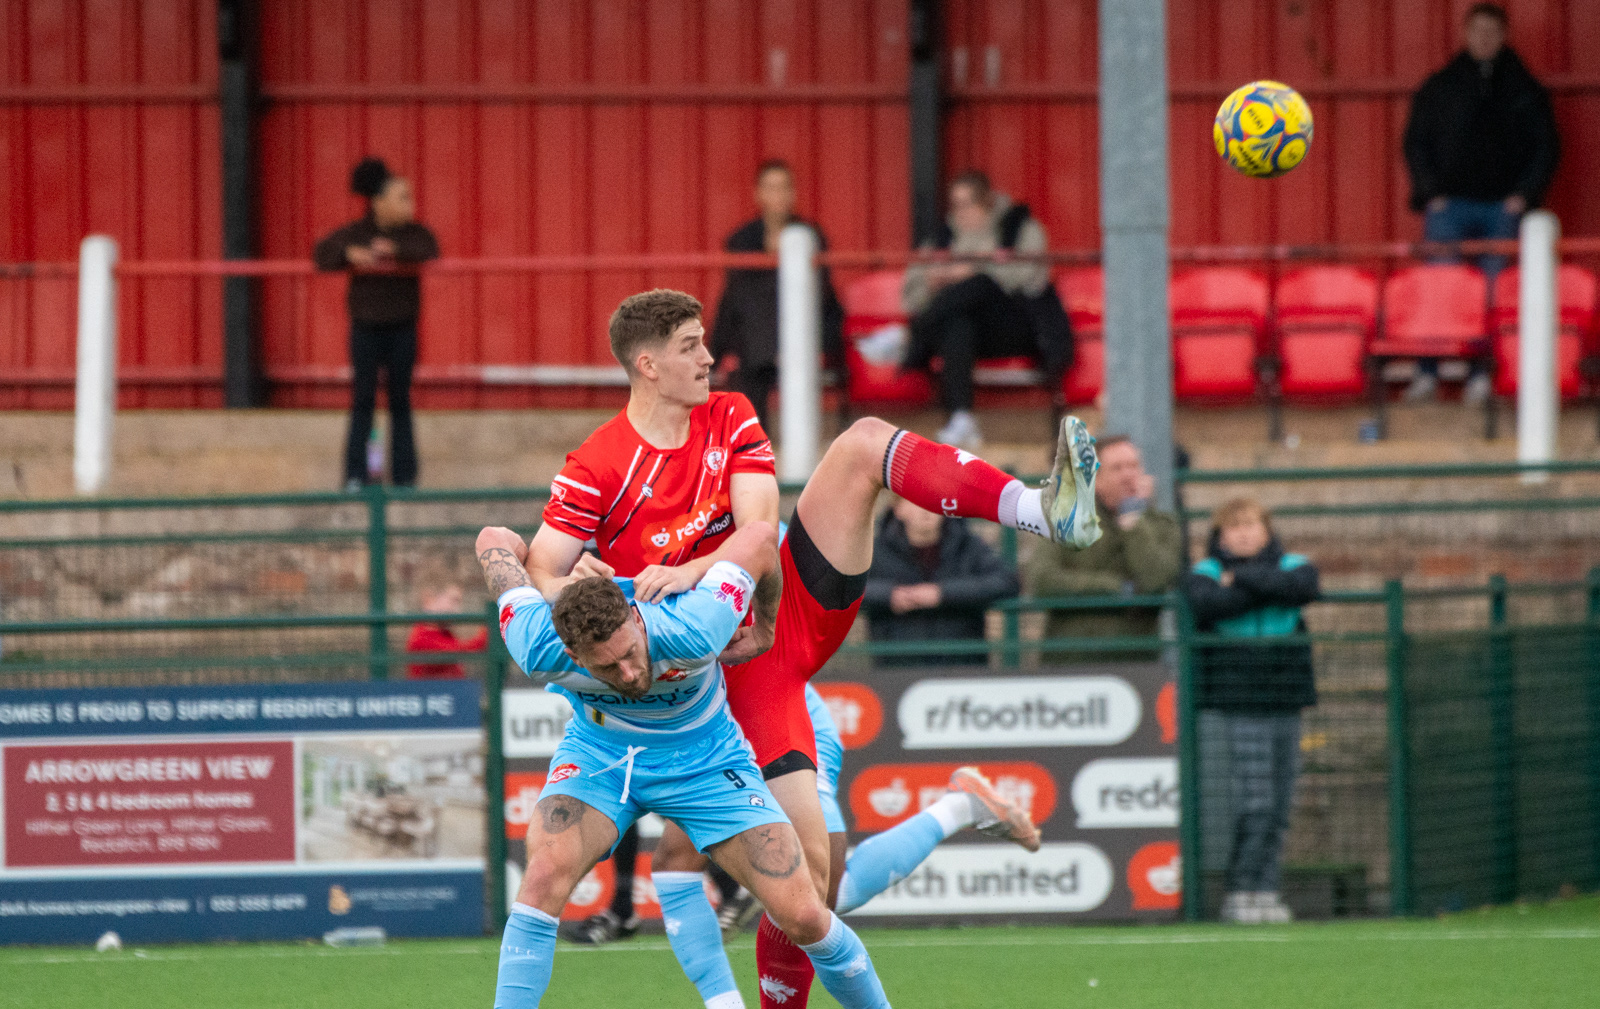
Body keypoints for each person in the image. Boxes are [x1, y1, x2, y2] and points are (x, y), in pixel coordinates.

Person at [522, 288, 1100, 1009]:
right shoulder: (597, 464)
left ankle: (1043, 510)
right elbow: (541, 566)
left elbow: (759, 531)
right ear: (647, 365)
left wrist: (696, 570)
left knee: (862, 443)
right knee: (815, 888)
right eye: (690, 346)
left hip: (776, 614)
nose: (709, 357)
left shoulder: (730, 414)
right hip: (724, 674)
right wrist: (578, 583)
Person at [479, 520, 894, 1009]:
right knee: (542, 878)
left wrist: (764, 622)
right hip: (601, 759)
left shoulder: (694, 624)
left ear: (637, 621)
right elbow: (492, 538)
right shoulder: (536, 644)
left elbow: (761, 538)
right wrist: (549, 578)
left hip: (707, 764)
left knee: (804, 915)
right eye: (607, 667)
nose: (629, 674)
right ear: (571, 653)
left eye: (630, 653)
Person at [1401, 2, 1559, 406]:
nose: (1484, 39)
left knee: (1493, 290)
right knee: (1440, 288)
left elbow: (1546, 147)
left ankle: (1481, 374)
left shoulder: (1524, 88)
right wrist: (1431, 194)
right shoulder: (1441, 85)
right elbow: (1415, 142)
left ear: (1504, 37)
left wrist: (1522, 196)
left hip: (1500, 209)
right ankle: (1428, 373)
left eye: (1492, 32)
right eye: (1477, 31)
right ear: (1465, 34)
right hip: (1449, 207)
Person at [1181, 498, 1319, 925]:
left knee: (1280, 805)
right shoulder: (1205, 572)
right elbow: (1208, 603)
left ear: (1267, 530)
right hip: (1238, 703)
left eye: (1251, 525)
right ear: (1220, 536)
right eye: (1234, 527)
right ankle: (1241, 891)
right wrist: (1265, 588)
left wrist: (1240, 579)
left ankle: (1267, 890)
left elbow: (1303, 587)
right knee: (1255, 802)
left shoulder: (1294, 564)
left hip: (1287, 699)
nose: (1243, 534)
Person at [900, 170, 1072, 450]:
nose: (961, 212)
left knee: (979, 284)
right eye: (955, 205)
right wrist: (934, 283)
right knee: (958, 323)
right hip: (969, 334)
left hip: (1018, 326)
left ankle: (910, 337)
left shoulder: (1021, 227)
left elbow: (1028, 279)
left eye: (968, 204)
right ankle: (961, 418)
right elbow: (911, 294)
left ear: (988, 202)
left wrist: (972, 270)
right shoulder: (942, 237)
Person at [313, 157, 439, 491]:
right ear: (379, 202)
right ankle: (358, 476)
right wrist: (350, 254)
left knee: (401, 401)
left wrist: (394, 249)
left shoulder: (414, 234)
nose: (410, 204)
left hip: (402, 328)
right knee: (363, 401)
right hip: (365, 329)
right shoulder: (357, 233)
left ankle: (404, 478)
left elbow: (429, 249)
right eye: (403, 197)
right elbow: (322, 253)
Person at [709, 160, 844, 432]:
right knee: (750, 316)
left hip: (805, 326)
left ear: (793, 193)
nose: (778, 195)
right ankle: (756, 430)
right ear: (758, 194)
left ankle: (763, 360)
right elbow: (738, 296)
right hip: (757, 333)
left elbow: (820, 292)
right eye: (771, 188)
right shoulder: (741, 239)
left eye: (784, 188)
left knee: (755, 340)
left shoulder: (811, 235)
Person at [1026, 435, 1183, 663]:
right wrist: (1116, 588)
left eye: (1133, 466)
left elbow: (1156, 580)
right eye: (1117, 468)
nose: (1128, 475)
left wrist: (1134, 525)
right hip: (1072, 663)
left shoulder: (1162, 526)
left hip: (1138, 664)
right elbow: (1042, 580)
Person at [862, 497, 1019, 666]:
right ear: (898, 509)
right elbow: (846, 588)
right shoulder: (876, 550)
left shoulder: (968, 545)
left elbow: (1007, 581)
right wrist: (889, 595)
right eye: (915, 500)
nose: (925, 509)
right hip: (896, 666)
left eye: (933, 499)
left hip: (961, 666)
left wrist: (942, 594)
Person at [404, 583, 486, 679]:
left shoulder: (445, 633)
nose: (458, 610)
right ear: (429, 600)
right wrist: (490, 629)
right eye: (453, 601)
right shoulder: (421, 637)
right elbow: (464, 650)